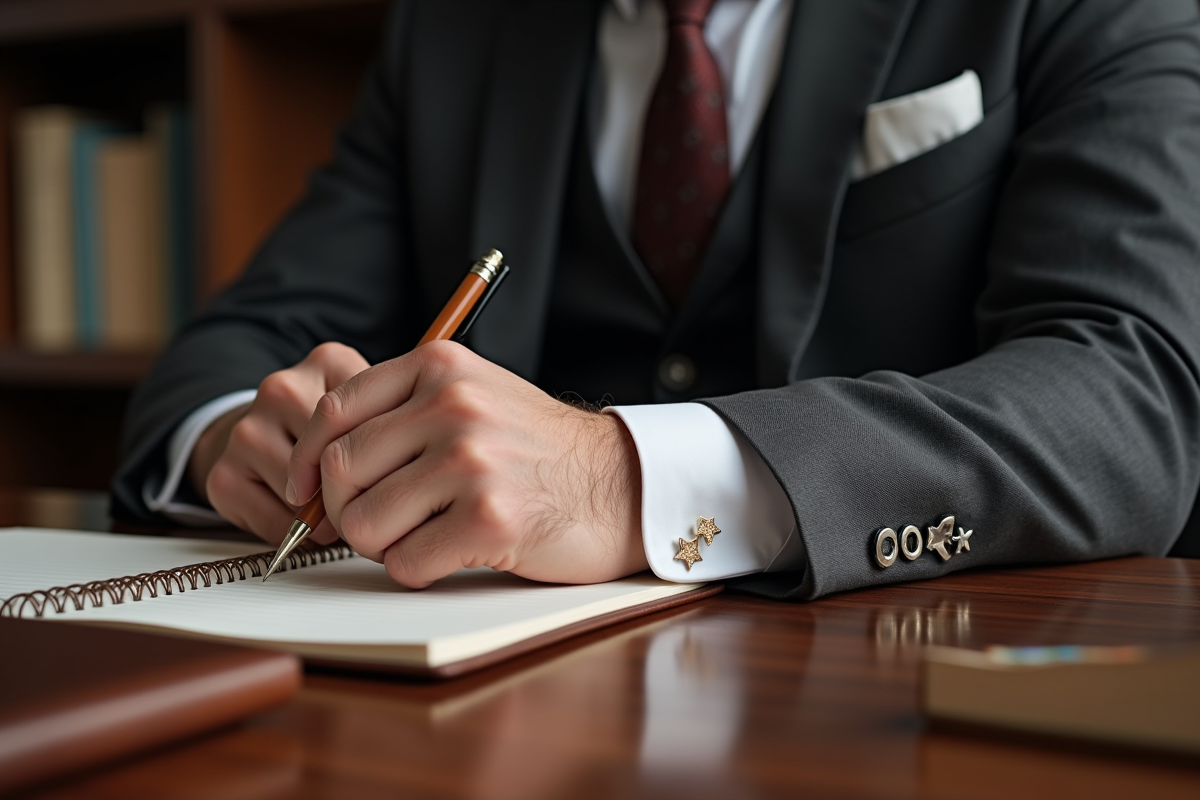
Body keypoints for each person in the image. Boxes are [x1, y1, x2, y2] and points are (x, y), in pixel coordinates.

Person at [113, 0, 1200, 600]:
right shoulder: (456, 30)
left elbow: (1128, 389)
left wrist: (624, 477)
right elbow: (229, 349)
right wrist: (241, 441)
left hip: (903, 683)